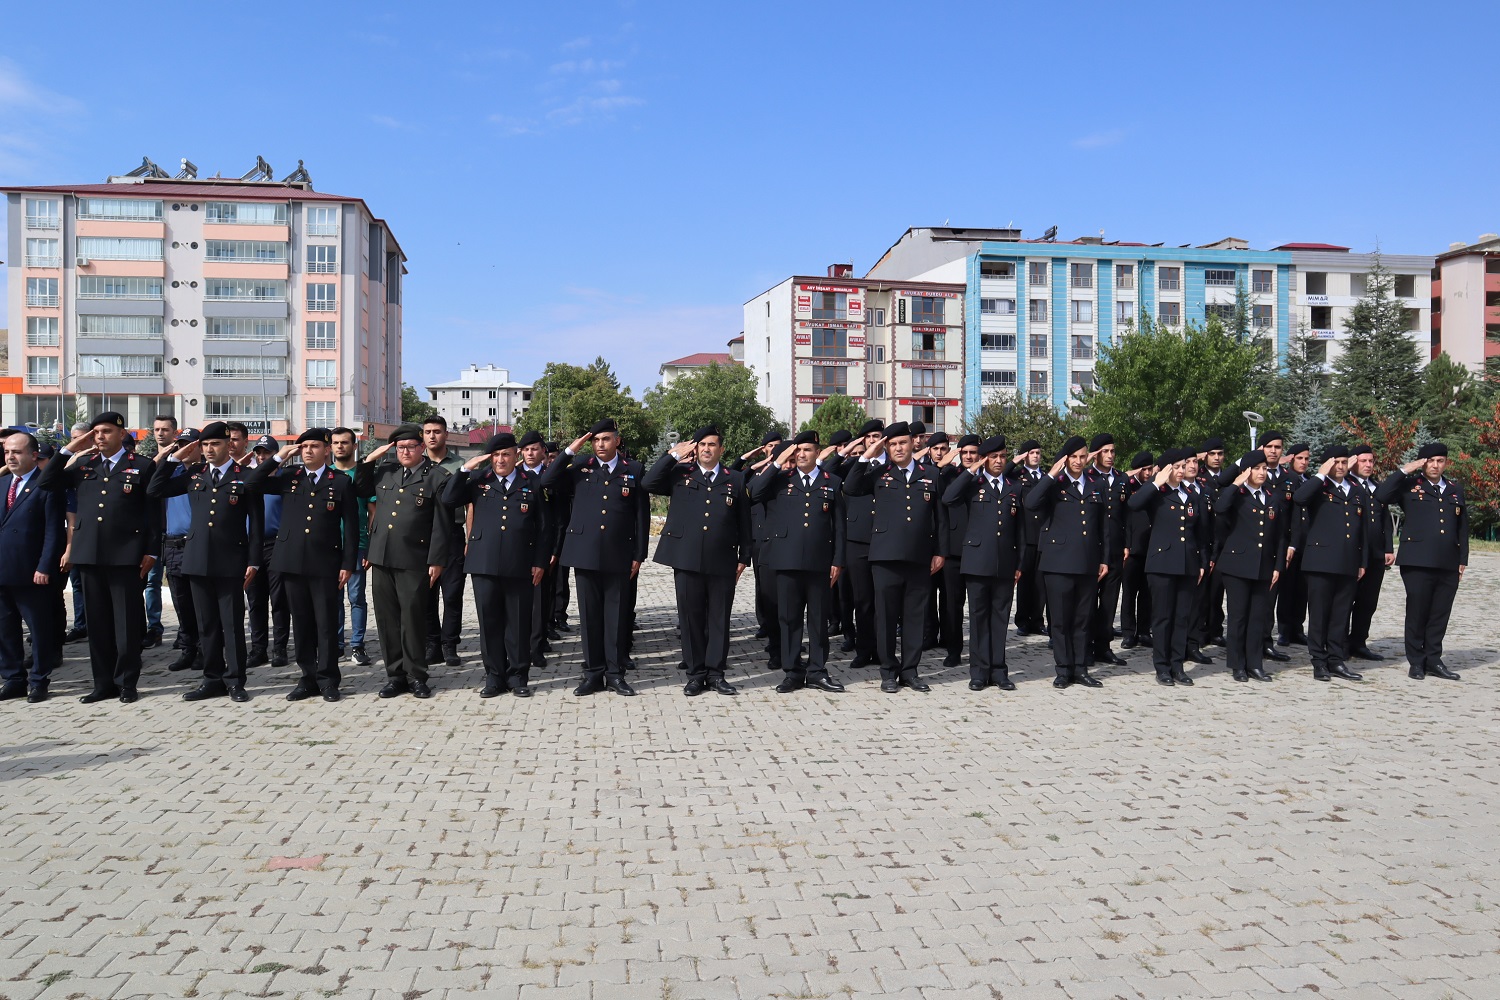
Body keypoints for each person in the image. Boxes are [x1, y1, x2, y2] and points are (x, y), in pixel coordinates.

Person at [37, 412, 161, 703]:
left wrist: (152, 550)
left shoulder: (141, 466)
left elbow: (154, 514)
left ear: (121, 433)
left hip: (127, 555)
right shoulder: (83, 464)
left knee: (127, 624)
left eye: (106, 431)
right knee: (98, 623)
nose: (100, 436)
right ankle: (103, 683)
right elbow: (46, 482)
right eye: (95, 432)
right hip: (89, 554)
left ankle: (127, 682)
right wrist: (69, 448)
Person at [147, 422, 263, 703]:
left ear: (228, 445)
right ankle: (212, 679)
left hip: (231, 560)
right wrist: (173, 457)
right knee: (206, 624)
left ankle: (235, 680)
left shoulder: (244, 476)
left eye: (216, 444)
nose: (210, 450)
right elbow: (155, 489)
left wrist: (254, 561)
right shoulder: (194, 474)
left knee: (232, 624)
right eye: (205, 445)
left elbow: (256, 525)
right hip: (197, 559)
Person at [242, 430, 360, 701]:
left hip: (325, 563)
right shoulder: (289, 477)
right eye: (303, 446)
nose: (307, 451)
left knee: (327, 624)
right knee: (302, 623)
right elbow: (251, 484)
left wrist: (347, 563)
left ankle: (329, 680)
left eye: (314, 446)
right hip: (292, 562)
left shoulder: (339, 482)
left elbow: (351, 527)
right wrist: (279, 458)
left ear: (327, 450)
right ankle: (307, 678)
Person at [539, 419, 649, 696]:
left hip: (619, 552)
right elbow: (547, 480)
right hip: (585, 552)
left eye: (606, 439)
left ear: (617, 441)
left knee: (616, 616)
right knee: (589, 617)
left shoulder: (632, 470)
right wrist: (569, 451)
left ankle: (615, 674)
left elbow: (641, 515)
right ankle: (592, 673)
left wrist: (640, 553)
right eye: (596, 440)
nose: (600, 444)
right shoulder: (579, 467)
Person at [442, 432, 553, 697]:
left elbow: (545, 527)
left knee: (517, 623)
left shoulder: (533, 482)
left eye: (505, 454)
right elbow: (448, 499)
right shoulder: (479, 480)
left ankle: (518, 677)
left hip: (520, 563)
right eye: (495, 455)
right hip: (484, 563)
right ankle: (494, 677)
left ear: (516, 455)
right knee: (489, 622)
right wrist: (465, 469)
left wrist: (540, 561)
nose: (500, 460)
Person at [646, 426, 752, 696]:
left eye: (712, 445)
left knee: (719, 619)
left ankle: (716, 674)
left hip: (722, 559)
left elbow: (745, 522)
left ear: (721, 449)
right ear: (695, 448)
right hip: (687, 558)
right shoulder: (681, 473)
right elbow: (648, 483)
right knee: (690, 618)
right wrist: (673, 454)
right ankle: (695, 675)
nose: (706, 449)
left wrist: (744, 557)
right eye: (702, 444)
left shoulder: (735, 479)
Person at [842, 421, 945, 694]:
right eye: (892, 444)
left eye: (903, 442)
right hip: (885, 556)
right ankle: (888, 671)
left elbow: (940, 517)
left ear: (913, 443)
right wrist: (867, 454)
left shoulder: (930, 474)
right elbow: (851, 488)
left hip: (919, 555)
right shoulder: (878, 472)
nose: (898, 448)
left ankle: (910, 670)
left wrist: (940, 552)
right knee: (886, 616)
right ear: (886, 447)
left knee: (914, 616)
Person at [357, 425, 455, 699]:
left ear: (422, 448)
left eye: (411, 446)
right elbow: (360, 487)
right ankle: (395, 675)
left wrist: (437, 559)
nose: (405, 452)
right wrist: (369, 459)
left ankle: (417, 676)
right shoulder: (386, 471)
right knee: (387, 620)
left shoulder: (436, 477)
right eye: (400, 448)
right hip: (382, 557)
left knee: (412, 619)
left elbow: (442, 524)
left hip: (414, 559)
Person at [750, 431, 847, 694]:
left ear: (818, 452)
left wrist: (838, 560)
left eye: (807, 449)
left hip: (819, 563)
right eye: (798, 450)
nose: (802, 454)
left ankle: (817, 671)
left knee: (817, 621)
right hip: (787, 561)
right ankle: (792, 671)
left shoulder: (832, 482)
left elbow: (839, 527)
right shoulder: (780, 479)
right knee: (789, 619)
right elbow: (754, 493)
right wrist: (778, 462)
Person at [1024, 436, 1112, 689]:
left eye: (1082, 456)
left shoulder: (1097, 483)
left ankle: (1081, 669)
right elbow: (1030, 504)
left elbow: (1103, 525)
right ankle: (1063, 670)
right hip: (1058, 563)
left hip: (1087, 562)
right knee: (1061, 621)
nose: (1078, 461)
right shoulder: (1054, 483)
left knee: (1083, 619)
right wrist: (1051, 474)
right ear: (1065, 458)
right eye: (1073, 457)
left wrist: (1104, 558)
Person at [1375, 443, 1466, 680]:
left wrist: (1462, 559)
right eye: (1430, 461)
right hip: (1417, 560)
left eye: (1440, 461)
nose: (1435, 465)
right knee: (1418, 611)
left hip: (1448, 560)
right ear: (1422, 462)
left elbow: (1462, 527)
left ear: (1446, 462)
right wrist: (1405, 470)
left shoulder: (1455, 489)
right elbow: (1381, 495)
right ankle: (1416, 661)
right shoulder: (1409, 485)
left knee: (1440, 613)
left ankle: (1434, 660)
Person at [942, 434, 1022, 691]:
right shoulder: (971, 484)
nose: (999, 461)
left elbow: (1020, 531)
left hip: (1005, 563)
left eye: (1002, 456)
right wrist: (970, 471)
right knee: (978, 618)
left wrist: (1020, 562)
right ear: (984, 459)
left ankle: (999, 671)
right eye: (993, 457)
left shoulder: (1014, 486)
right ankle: (978, 671)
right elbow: (948, 498)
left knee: (1000, 618)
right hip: (977, 561)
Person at [1128, 449, 1210, 686]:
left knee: (1181, 617)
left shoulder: (1192, 494)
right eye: (1177, 466)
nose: (1182, 470)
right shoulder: (1157, 493)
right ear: (1166, 469)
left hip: (1187, 564)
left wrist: (1202, 562)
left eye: (1183, 466)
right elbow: (1134, 503)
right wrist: (1156, 481)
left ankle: (1178, 665)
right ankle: (1162, 667)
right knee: (1163, 618)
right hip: (1162, 564)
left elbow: (1200, 533)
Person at [1293, 445, 1375, 682]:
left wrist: (1362, 560)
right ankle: (1319, 661)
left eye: (1343, 462)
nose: (1340, 467)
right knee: (1319, 614)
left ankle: (1336, 660)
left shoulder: (1357, 490)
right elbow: (1299, 498)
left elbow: (1363, 530)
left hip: (1348, 561)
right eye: (1335, 463)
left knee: (1341, 614)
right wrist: (1320, 474)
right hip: (1320, 561)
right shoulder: (1319, 487)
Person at [0, 430, 66, 703]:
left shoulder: (46, 485)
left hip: (32, 573)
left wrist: (44, 567)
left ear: (33, 454)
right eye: (7, 452)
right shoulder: (3, 484)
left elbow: (54, 532)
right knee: (5, 630)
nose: (10, 457)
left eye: (16, 452)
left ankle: (39, 680)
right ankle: (13, 678)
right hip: (3, 570)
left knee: (38, 630)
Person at [1213, 450, 1285, 682]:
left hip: (1264, 565)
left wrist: (1277, 565)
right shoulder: (1237, 495)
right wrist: (1236, 483)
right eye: (1257, 468)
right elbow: (1220, 508)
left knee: (1258, 617)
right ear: (1247, 471)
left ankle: (1255, 664)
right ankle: (1237, 664)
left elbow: (1281, 536)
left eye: (1264, 468)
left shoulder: (1273, 496)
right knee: (1238, 617)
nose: (1262, 472)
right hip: (1237, 565)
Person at [832, 419, 884, 669]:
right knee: (862, 600)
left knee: (884, 600)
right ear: (862, 441)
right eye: (869, 437)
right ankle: (864, 650)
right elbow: (826, 470)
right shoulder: (853, 464)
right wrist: (847, 450)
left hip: (885, 538)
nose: (874, 441)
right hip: (856, 539)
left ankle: (884, 650)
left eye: (878, 436)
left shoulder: (894, 464)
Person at [422, 415, 467, 667]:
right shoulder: (417, 463)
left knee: (452, 594)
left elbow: (470, 504)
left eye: (437, 431)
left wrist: (470, 538)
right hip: (423, 536)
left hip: (452, 535)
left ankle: (450, 644)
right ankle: (432, 643)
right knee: (427, 594)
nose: (432, 436)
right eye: (427, 431)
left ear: (446, 434)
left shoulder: (460, 465)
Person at [156, 427, 200, 675]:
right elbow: (153, 485)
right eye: (180, 444)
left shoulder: (201, 473)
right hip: (173, 544)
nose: (184, 449)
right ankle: (188, 649)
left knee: (200, 603)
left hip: (196, 544)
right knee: (181, 603)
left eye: (189, 444)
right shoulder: (170, 473)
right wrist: (169, 459)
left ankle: (204, 649)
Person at [246, 434, 291, 668]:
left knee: (279, 600)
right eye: (259, 453)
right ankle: (258, 648)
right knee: (256, 600)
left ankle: (280, 648)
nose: (262, 457)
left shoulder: (285, 479)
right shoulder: (252, 480)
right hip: (253, 546)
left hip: (277, 545)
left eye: (267, 453)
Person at [331, 427, 375, 666]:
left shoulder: (362, 474)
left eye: (344, 442)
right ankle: (337, 645)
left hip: (357, 544)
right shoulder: (326, 473)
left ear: (354, 445)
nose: (340, 447)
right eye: (336, 442)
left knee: (356, 597)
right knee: (333, 598)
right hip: (328, 547)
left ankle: (357, 645)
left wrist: (370, 546)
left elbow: (372, 512)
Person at [1345, 445, 1393, 660]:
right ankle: (1339, 643)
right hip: (1352, 553)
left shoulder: (1377, 487)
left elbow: (1386, 521)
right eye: (1363, 461)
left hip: (1375, 553)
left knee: (1368, 601)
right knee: (1346, 600)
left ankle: (1359, 641)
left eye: (1371, 461)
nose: (1368, 465)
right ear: (1353, 461)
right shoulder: (1346, 485)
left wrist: (1388, 548)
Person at [1085, 433, 1129, 667]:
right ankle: (1086, 647)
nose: (1110, 456)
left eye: (1112, 451)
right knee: (1089, 601)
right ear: (1095, 454)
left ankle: (1104, 647)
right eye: (1105, 451)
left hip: (1115, 549)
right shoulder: (1086, 476)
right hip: (1092, 548)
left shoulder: (1121, 479)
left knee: (1110, 602)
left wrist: (1126, 544)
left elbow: (1127, 515)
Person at [934, 434, 977, 668]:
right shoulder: (948, 475)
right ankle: (953, 650)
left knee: (980, 605)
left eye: (973, 452)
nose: (969, 456)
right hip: (954, 550)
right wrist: (942, 466)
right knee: (952, 605)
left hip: (980, 550)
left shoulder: (988, 477)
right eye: (965, 452)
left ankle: (980, 651)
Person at [517, 430, 557, 669]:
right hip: (519, 545)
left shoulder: (552, 476)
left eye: (535, 449)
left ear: (544, 452)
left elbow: (559, 516)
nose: (531, 453)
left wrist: (554, 547)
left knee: (541, 599)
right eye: (526, 449)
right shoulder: (516, 475)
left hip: (545, 545)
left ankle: (537, 646)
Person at [140, 414, 179, 650]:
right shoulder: (147, 462)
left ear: (175, 432)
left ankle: (185, 630)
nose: (160, 433)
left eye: (165, 429)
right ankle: (154, 628)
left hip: (177, 531)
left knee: (177, 585)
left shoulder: (180, 460)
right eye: (156, 429)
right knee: (152, 582)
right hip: (154, 531)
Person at [1275, 441, 1312, 647]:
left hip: (1308, 542)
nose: (1304, 462)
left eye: (1307, 459)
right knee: (1287, 589)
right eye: (1299, 458)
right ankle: (1284, 630)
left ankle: (1298, 628)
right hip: (1290, 541)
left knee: (1302, 589)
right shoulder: (1285, 480)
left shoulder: (1311, 480)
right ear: (1291, 460)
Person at [1011, 439, 1048, 636]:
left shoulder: (1045, 476)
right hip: (1025, 534)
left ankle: (1037, 620)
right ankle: (1023, 621)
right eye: (1031, 452)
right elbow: (1003, 474)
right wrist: (1015, 461)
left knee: (1040, 582)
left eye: (1037, 452)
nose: (1035, 456)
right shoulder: (1017, 475)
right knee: (1024, 582)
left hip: (1042, 533)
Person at [1119, 452, 1155, 650]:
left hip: (1149, 547)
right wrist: (1126, 544)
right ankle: (1128, 632)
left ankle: (1143, 631)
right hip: (1132, 548)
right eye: (1145, 470)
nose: (1149, 473)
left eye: (1151, 469)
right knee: (1129, 593)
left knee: (1146, 593)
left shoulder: (1154, 488)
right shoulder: (1129, 486)